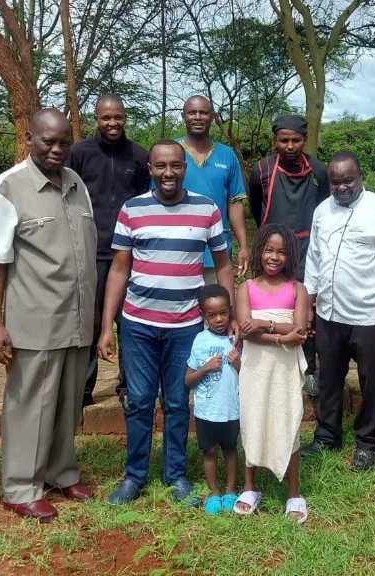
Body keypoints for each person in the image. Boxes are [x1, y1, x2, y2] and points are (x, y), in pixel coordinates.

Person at [98, 139, 235, 506]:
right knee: (140, 401)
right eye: (161, 166)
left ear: (184, 168)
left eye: (175, 165)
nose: (168, 172)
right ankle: (134, 476)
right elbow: (120, 269)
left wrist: (231, 313)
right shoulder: (132, 209)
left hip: (187, 326)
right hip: (138, 324)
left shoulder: (206, 209)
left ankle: (176, 476)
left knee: (177, 402)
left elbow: (222, 264)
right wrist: (106, 326)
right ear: (150, 168)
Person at [0, 108, 97, 523]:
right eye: (48, 140)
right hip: (35, 319)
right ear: (29, 137)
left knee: (67, 402)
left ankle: (61, 471)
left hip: (78, 317)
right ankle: (20, 487)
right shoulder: (7, 188)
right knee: (30, 403)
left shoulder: (75, 182)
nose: (56, 148)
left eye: (64, 141)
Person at [301, 152, 375, 471]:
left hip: (370, 312)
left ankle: (367, 442)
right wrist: (308, 301)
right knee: (329, 378)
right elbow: (314, 257)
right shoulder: (321, 211)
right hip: (329, 312)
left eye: (348, 180)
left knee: (371, 381)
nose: (342, 187)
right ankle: (327, 436)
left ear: (360, 177)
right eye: (335, 182)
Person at [65, 94, 150, 408]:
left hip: (130, 255)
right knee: (90, 320)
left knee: (129, 322)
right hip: (91, 252)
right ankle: (84, 390)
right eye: (106, 118)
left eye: (118, 117)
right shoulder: (78, 154)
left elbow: (145, 204)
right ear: (95, 119)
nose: (112, 123)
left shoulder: (139, 156)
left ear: (125, 117)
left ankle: (128, 386)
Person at [247, 114, 328, 395]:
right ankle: (263, 362)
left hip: (306, 251)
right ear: (276, 141)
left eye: (296, 140)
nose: (290, 146)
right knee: (268, 306)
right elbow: (257, 210)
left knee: (306, 313)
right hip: (271, 249)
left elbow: (323, 211)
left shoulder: (319, 172)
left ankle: (309, 370)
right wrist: (270, 244)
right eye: (284, 140)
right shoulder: (261, 171)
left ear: (305, 140)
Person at [234, 224, 310, 523]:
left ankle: (293, 492)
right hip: (254, 367)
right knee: (252, 420)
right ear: (258, 252)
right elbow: (244, 331)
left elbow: (300, 330)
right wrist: (281, 334)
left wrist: (264, 325)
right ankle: (250, 487)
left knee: (287, 420)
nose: (274, 257)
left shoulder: (297, 289)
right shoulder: (247, 288)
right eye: (268, 250)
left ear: (290, 255)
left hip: (285, 368)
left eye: (281, 251)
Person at [177, 95, 249, 281]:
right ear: (183, 116)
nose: (198, 117)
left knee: (217, 307)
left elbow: (234, 203)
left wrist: (243, 245)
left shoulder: (227, 155)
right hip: (177, 249)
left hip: (216, 249)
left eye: (203, 112)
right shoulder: (172, 151)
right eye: (192, 112)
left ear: (212, 117)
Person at [184, 285, 242, 515]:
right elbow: (188, 380)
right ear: (203, 315)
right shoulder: (199, 340)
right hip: (207, 412)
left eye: (224, 313)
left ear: (230, 311)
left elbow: (248, 375)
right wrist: (206, 368)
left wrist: (237, 362)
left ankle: (230, 490)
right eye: (212, 315)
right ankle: (214, 491)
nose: (219, 319)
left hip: (231, 410)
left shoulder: (236, 339)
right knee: (209, 451)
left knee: (230, 449)